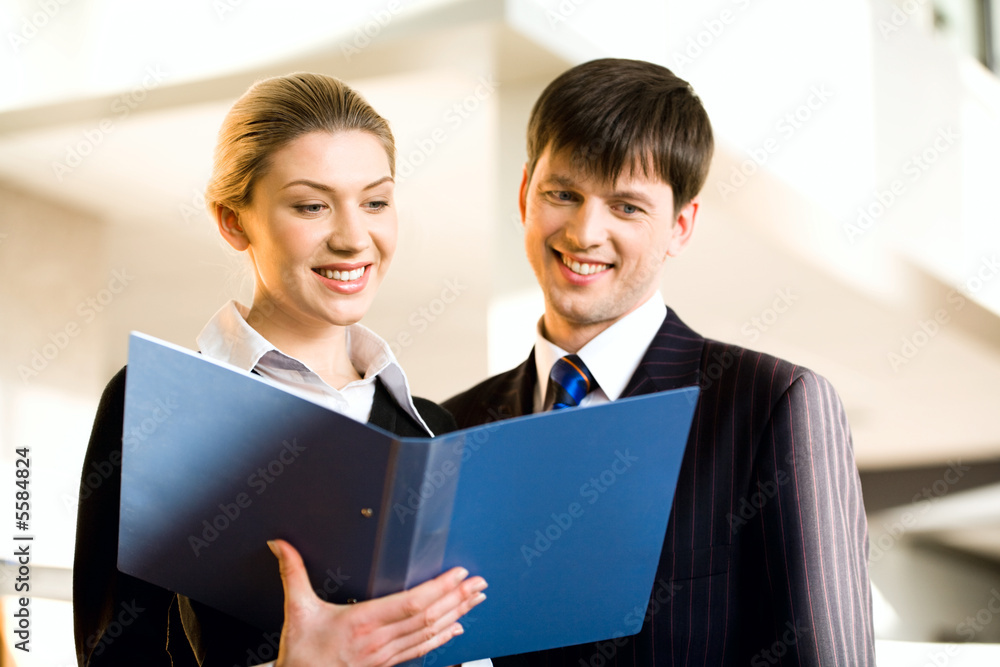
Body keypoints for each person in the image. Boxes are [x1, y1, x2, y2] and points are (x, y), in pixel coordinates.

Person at [443, 58, 876, 664]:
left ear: (680, 226)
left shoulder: (770, 403)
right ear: (524, 195)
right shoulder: (455, 428)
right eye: (563, 194)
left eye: (626, 207)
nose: (585, 232)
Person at [73, 72, 487, 667]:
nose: (353, 237)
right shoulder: (157, 402)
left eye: (375, 201)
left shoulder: (434, 429)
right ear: (233, 220)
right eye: (311, 205)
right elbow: (114, 654)